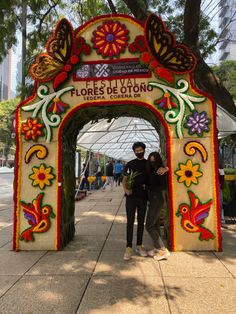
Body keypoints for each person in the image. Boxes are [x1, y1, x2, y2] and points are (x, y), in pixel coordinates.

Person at [122, 142, 148, 260]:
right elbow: (124, 179)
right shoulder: (130, 164)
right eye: (136, 151)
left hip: (143, 197)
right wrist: (126, 189)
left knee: (141, 221)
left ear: (144, 150)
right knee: (130, 221)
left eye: (140, 150)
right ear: (134, 152)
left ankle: (139, 245)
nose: (138, 152)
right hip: (131, 197)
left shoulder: (148, 164)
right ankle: (128, 247)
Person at [146, 152, 170, 261]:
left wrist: (165, 169)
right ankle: (157, 248)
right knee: (155, 224)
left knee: (149, 225)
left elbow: (163, 185)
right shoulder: (151, 170)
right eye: (150, 161)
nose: (152, 163)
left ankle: (162, 249)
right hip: (153, 199)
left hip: (156, 199)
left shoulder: (160, 170)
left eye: (154, 160)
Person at [219, 158, 225, 224]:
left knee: (220, 203)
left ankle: (221, 218)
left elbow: (223, 178)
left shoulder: (220, 168)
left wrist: (221, 185)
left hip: (219, 187)